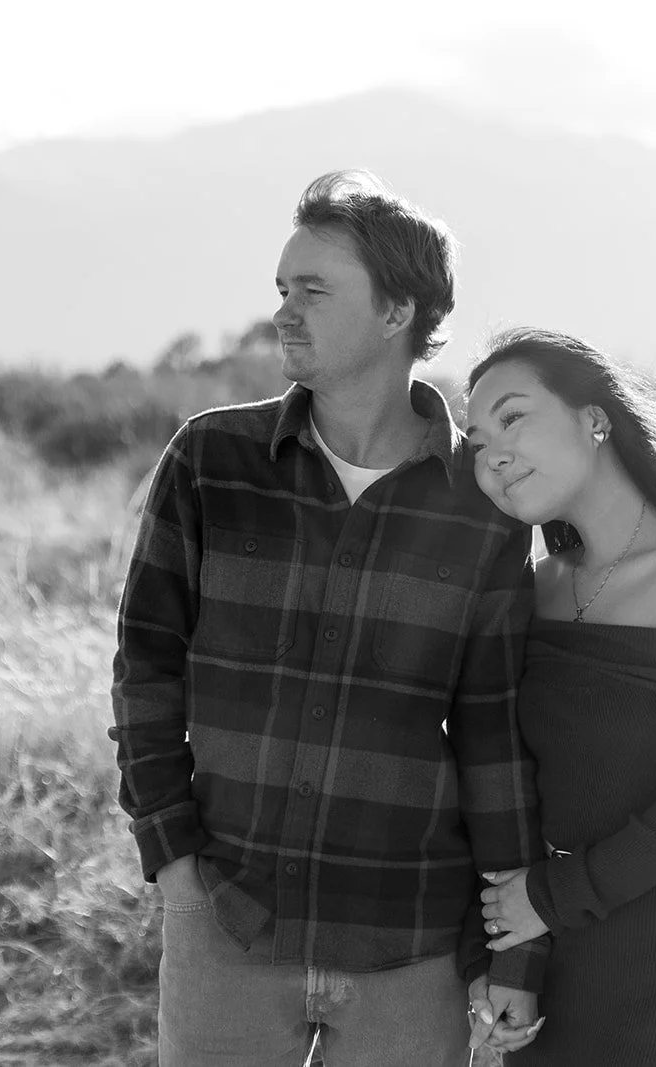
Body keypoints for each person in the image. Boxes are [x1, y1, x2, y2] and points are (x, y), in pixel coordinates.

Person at [109, 171, 547, 1067]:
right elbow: (145, 667)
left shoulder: (483, 503)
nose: (284, 312)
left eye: (314, 290)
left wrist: (517, 946)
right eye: (282, 289)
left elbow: (493, 734)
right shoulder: (211, 462)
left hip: (410, 943)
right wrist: (177, 868)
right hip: (227, 921)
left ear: (398, 314)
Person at [463, 328, 656, 1066]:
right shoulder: (533, 589)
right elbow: (509, 775)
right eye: (476, 440)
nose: (494, 453)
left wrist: (544, 899)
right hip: (554, 940)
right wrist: (514, 954)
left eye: (513, 417)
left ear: (594, 418)